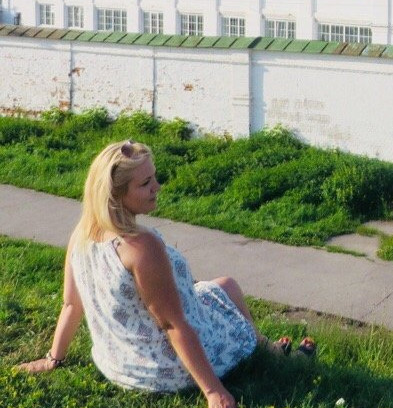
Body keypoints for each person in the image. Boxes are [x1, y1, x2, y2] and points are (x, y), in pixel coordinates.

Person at [16, 140, 303, 408]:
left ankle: (268, 347)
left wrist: (53, 358)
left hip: (118, 364)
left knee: (214, 288)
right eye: (145, 183)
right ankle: (268, 349)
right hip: (165, 370)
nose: (158, 186)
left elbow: (71, 305)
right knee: (227, 286)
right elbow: (172, 324)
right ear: (116, 195)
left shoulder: (82, 234)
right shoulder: (141, 246)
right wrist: (214, 392)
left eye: (154, 177)